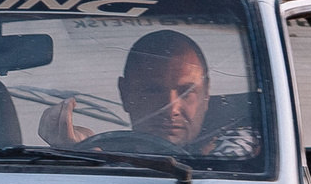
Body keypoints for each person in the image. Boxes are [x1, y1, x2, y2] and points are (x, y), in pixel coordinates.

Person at [39, 29, 259, 159]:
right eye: (152, 91)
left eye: (187, 92)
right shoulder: (112, 155)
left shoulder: (245, 154)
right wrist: (79, 153)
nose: (171, 108)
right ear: (124, 93)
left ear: (206, 93)